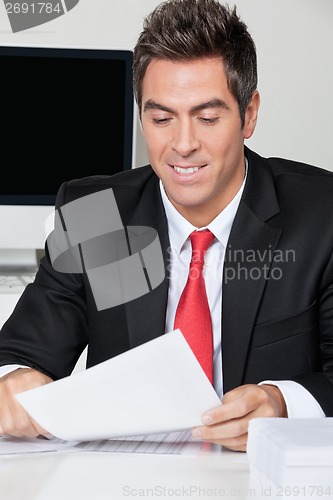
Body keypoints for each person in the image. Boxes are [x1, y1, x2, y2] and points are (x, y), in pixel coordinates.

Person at [0, 0, 333, 452]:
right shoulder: (96, 215)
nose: (183, 145)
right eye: (161, 119)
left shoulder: (321, 215)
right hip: (123, 478)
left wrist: (283, 402)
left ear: (249, 114)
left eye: (208, 118)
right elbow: (20, 355)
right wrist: (14, 382)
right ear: (141, 117)